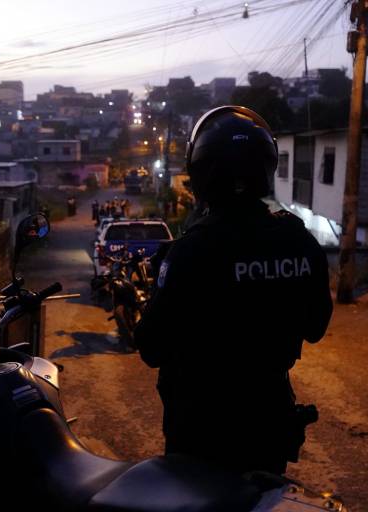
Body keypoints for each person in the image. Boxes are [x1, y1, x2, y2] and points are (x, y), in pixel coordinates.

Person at [134, 106, 333, 475]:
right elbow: (316, 328)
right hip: (271, 419)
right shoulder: (298, 241)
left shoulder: (191, 250)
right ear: (266, 168)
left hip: (201, 427)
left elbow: (151, 347)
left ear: (201, 173)